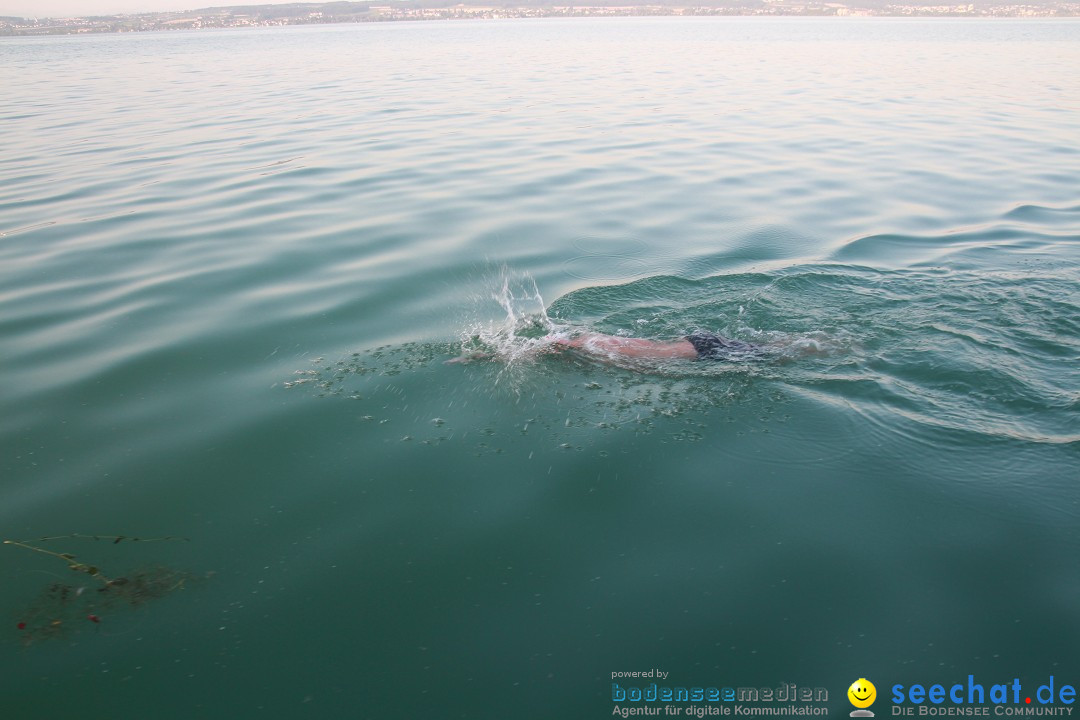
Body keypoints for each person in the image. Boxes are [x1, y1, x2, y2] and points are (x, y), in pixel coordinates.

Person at [552, 331, 765, 362]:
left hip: (702, 349)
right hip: (698, 344)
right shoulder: (589, 340)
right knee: (774, 350)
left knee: (773, 354)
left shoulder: (593, 347)